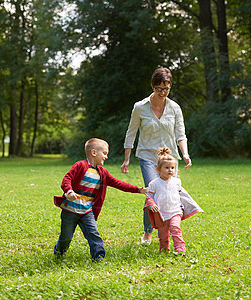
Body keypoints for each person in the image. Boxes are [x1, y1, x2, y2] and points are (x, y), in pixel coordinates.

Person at [121, 67, 192, 245]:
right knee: (152, 192)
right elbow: (131, 133)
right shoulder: (140, 107)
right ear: (152, 86)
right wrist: (127, 159)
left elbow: (180, 134)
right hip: (148, 156)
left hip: (169, 159)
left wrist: (185, 154)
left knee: (170, 194)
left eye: (166, 89)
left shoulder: (174, 107)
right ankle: (147, 231)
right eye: (159, 88)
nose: (162, 92)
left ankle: (170, 229)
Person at [53, 138, 148, 261]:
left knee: (94, 234)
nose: (106, 157)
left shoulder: (103, 172)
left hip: (87, 211)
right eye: (104, 153)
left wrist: (138, 189)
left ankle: (98, 256)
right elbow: (67, 179)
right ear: (94, 153)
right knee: (66, 237)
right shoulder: (80, 165)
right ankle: (59, 252)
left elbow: (119, 184)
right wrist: (69, 191)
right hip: (70, 210)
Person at [144, 148, 203, 255]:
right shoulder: (154, 184)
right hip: (161, 214)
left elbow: (184, 196)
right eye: (166, 168)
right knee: (163, 235)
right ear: (158, 169)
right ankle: (164, 250)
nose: (170, 170)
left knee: (175, 228)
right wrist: (151, 204)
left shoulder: (177, 182)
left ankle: (180, 250)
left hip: (175, 211)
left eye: (172, 168)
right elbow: (149, 196)